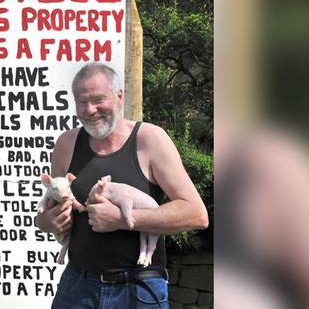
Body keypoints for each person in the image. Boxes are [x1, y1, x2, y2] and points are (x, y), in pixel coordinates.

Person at [35, 63, 209, 309]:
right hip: (78, 286)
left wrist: (122, 219)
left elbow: (196, 214)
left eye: (98, 99)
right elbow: (49, 214)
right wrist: (46, 222)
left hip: (138, 288)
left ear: (119, 97)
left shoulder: (150, 140)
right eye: (81, 102)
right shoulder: (66, 144)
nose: (90, 110)